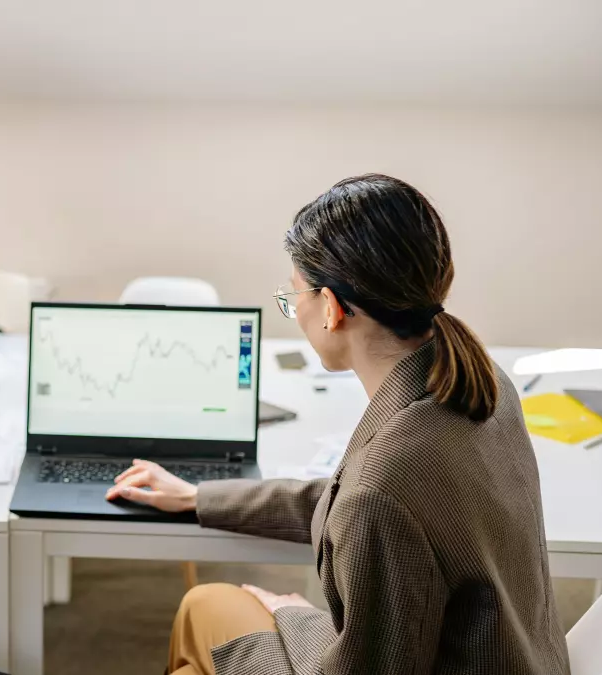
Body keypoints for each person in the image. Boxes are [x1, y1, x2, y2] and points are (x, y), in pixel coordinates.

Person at [108, 175, 569, 675]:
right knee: (202, 610)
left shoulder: (386, 484)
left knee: (203, 617)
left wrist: (298, 617)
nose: (294, 310)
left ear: (330, 308)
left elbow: (371, 508)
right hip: (515, 657)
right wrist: (198, 498)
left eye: (293, 297)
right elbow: (345, 501)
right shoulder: (482, 383)